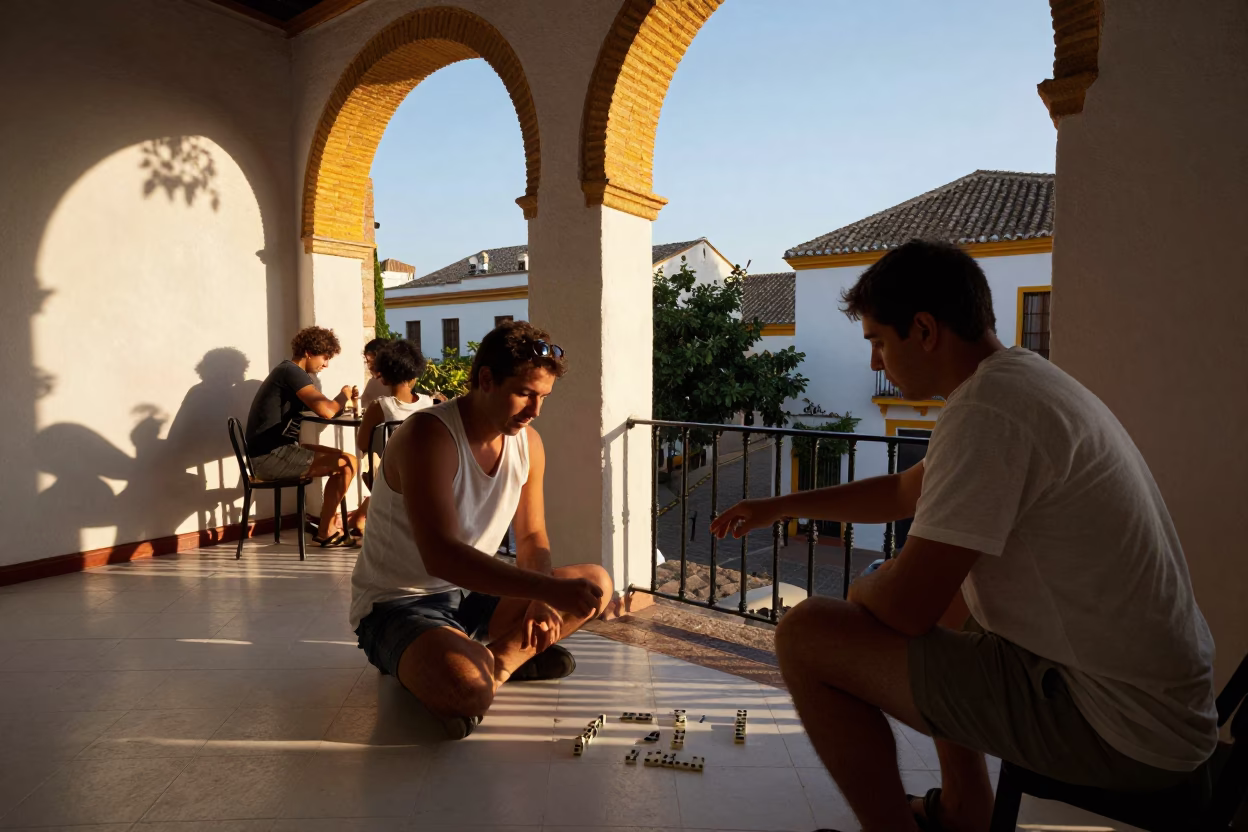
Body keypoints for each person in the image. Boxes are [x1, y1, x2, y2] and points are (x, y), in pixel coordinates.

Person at [711, 240, 1217, 832]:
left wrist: (865, 594)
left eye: (878, 340)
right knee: (947, 602)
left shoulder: (990, 413)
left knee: (806, 634)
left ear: (924, 329)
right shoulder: (1017, 382)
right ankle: (963, 811)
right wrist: (777, 507)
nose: (876, 361)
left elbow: (904, 607)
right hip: (1157, 708)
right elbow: (906, 492)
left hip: (1120, 728)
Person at [349, 320, 613, 739]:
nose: (535, 410)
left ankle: (498, 663)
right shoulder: (429, 436)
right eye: (524, 393)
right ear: (486, 379)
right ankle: (475, 668)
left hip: (472, 595)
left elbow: (531, 538)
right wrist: (543, 591)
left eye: (543, 397)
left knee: (595, 582)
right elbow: (441, 555)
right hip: (398, 604)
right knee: (468, 691)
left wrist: (541, 594)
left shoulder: (529, 444)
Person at [244, 326, 359, 547]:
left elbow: (322, 408)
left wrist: (340, 403)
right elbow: (326, 410)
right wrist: (343, 396)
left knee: (340, 456)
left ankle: (328, 528)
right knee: (348, 463)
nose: (326, 364)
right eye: (324, 357)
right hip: (270, 457)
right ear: (308, 351)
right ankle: (326, 531)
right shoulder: (291, 372)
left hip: (274, 451)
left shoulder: (289, 372)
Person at [349, 338, 434, 536]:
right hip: (425, 472)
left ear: (383, 377)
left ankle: (367, 517)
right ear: (415, 375)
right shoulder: (429, 403)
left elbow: (363, 444)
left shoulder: (380, 406)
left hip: (391, 477)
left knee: (370, 471)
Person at [359, 336, 391, 413]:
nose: (369, 366)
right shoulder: (372, 383)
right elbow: (363, 407)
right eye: (367, 361)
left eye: (373, 361)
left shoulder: (397, 385)